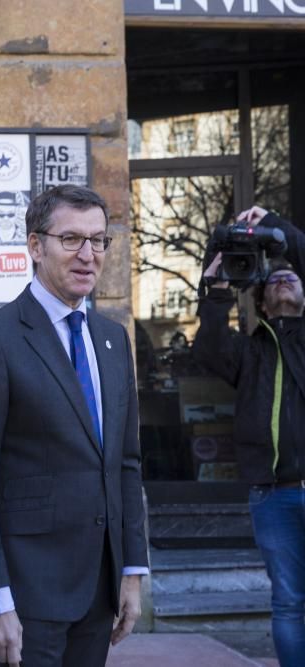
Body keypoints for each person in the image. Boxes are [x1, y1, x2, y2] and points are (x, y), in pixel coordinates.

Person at [0, 185, 148, 666]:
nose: (88, 255)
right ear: (35, 246)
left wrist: (131, 569)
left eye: (99, 240)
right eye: (71, 240)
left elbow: (125, 463)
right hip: (27, 597)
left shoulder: (111, 338)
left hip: (99, 589)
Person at [193, 205, 305, 667]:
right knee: (289, 602)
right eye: (274, 279)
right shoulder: (250, 351)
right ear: (259, 301)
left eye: (293, 277)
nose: (283, 279)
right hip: (272, 495)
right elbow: (210, 345)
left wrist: (278, 227)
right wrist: (216, 284)